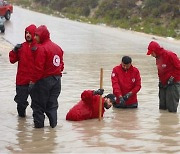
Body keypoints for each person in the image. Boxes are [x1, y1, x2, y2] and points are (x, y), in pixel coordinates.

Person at [29, 25, 64, 128]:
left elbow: (38, 69)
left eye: (36, 35)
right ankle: (53, 130)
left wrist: (33, 83)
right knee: (52, 106)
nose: (35, 38)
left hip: (44, 81)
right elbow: (61, 65)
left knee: (38, 107)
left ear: (42, 35)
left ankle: (38, 135)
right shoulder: (58, 48)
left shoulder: (41, 49)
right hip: (57, 81)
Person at [9, 24, 37, 117]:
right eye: (26, 33)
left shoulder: (39, 47)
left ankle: (37, 124)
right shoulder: (21, 47)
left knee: (37, 105)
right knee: (20, 103)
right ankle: (21, 124)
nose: (27, 35)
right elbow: (12, 60)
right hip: (22, 81)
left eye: (30, 33)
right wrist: (14, 50)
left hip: (35, 81)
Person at [146, 41, 180, 112]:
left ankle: (172, 121)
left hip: (173, 83)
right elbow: (160, 71)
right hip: (163, 83)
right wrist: (160, 81)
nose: (151, 55)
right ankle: (163, 121)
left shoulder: (170, 55)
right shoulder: (157, 58)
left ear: (156, 50)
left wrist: (172, 78)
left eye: (152, 53)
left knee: (171, 107)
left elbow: (178, 68)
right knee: (162, 107)